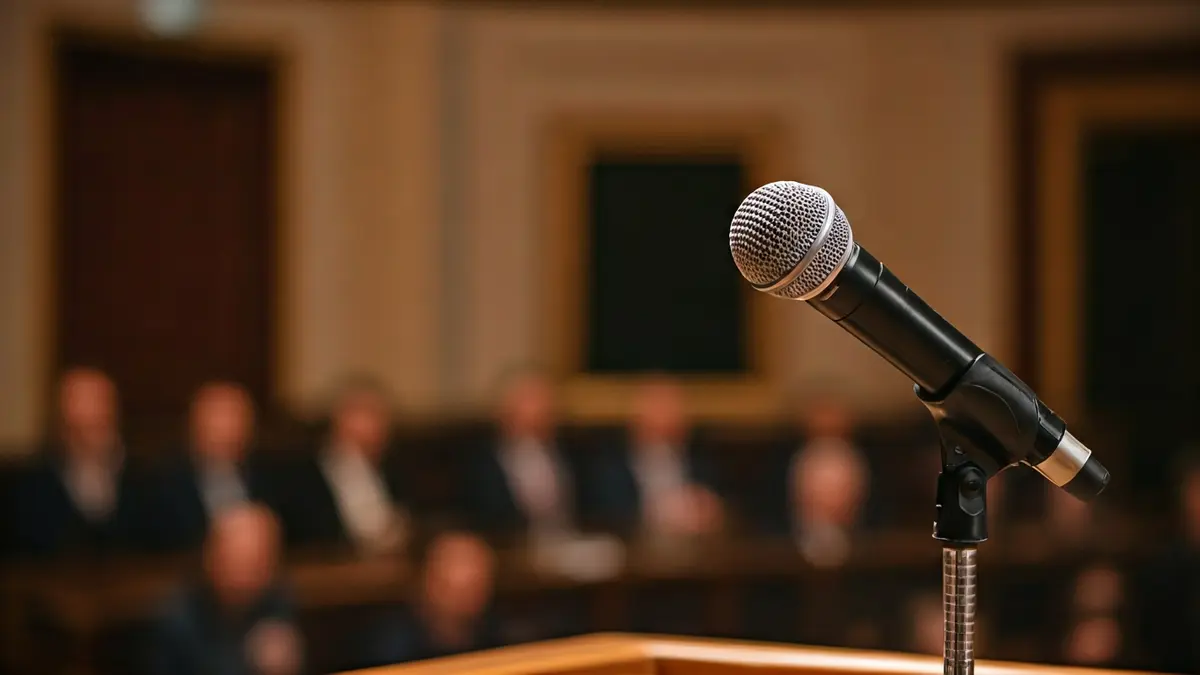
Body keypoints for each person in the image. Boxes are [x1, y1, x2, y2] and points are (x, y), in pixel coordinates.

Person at [148, 504, 303, 675]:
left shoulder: (275, 598)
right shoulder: (176, 617)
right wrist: (252, 660)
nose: (248, 578)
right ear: (211, 558)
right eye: (240, 563)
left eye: (259, 565)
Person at [10, 368, 149, 556]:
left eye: (98, 426)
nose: (88, 440)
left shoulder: (144, 480)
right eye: (77, 430)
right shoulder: (27, 486)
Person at [277, 376, 410, 553]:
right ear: (337, 419)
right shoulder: (301, 477)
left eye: (377, 416)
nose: (369, 427)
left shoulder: (396, 472)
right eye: (358, 413)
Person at [588, 375, 724, 536]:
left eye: (675, 407)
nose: (669, 416)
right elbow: (608, 516)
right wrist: (661, 513)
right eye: (658, 407)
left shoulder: (701, 465)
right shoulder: (610, 467)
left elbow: (722, 510)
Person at [148, 382, 273, 551]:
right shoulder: (162, 485)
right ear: (193, 426)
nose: (226, 431)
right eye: (216, 419)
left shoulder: (273, 479)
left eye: (234, 417)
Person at [461, 369, 585, 538]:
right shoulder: (481, 465)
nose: (541, 409)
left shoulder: (573, 453)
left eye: (546, 401)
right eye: (530, 400)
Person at [360, 532, 501, 666]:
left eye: (476, 567)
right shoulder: (388, 648)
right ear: (425, 578)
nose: (469, 576)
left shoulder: (501, 640)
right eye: (455, 563)